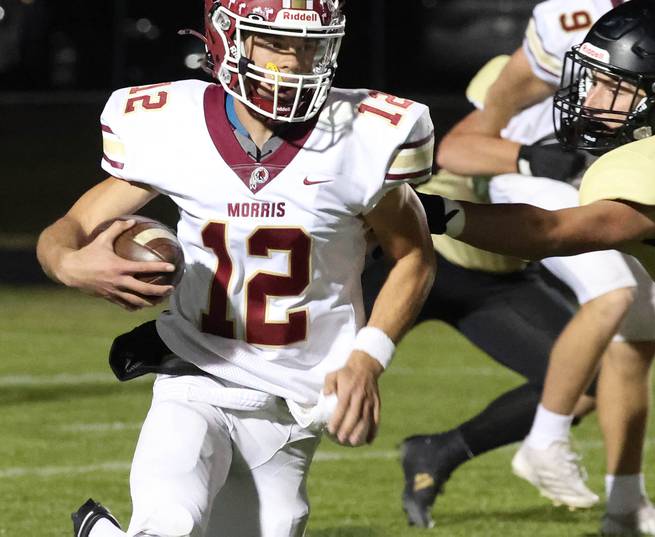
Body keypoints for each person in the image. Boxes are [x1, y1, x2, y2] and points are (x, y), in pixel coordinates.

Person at [36, 1, 436, 536]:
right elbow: (67, 229)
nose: (295, 62)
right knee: (169, 521)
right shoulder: (174, 124)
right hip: (196, 372)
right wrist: (68, 263)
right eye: (276, 44)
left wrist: (368, 358)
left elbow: (414, 255)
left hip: (295, 397)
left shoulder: (361, 136)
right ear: (227, 39)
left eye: (309, 46)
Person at [421, 0, 655, 534]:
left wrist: (434, 211)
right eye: (593, 80)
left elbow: (550, 233)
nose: (589, 98)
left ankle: (552, 446)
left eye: (614, 87)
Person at [362, 169, 602, 528]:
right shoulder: (461, 113)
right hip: (418, 256)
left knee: (590, 376)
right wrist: (523, 153)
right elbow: (461, 145)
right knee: (310, 370)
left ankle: (439, 453)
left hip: (499, 277)